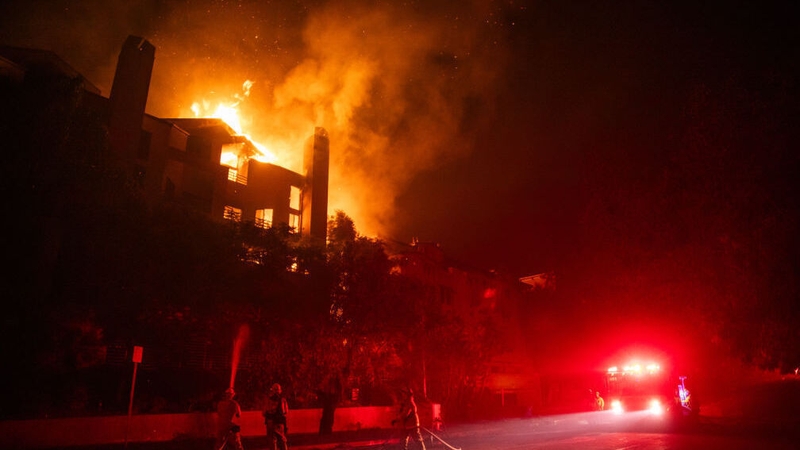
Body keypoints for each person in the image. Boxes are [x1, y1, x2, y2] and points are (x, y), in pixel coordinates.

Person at [263, 383, 289, 450]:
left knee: (272, 441)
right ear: (280, 391)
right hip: (280, 423)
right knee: (282, 439)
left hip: (270, 423)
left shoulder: (268, 400)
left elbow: (264, 412)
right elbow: (286, 412)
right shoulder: (283, 400)